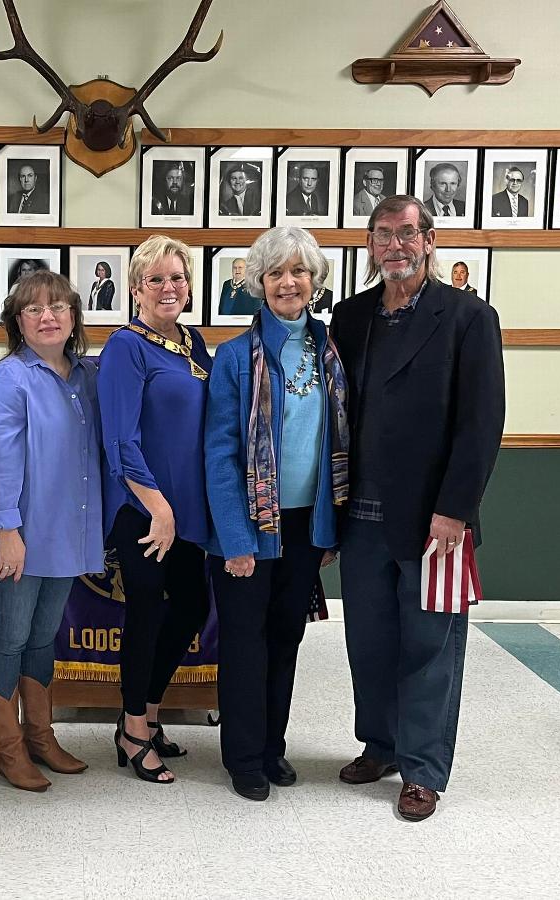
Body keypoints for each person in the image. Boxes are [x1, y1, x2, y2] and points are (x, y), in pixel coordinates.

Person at [330, 195, 505, 821]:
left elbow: (481, 424)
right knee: (369, 643)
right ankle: (380, 746)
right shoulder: (349, 319)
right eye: (383, 235)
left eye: (408, 233)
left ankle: (424, 769)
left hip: (436, 523)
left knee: (430, 647)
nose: (395, 246)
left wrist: (455, 510)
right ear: (369, 245)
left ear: (429, 241)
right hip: (362, 519)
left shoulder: (467, 317)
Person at [205, 226, 348, 801]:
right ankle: (242, 756)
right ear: (259, 284)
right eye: (275, 273)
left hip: (306, 523)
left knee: (286, 636)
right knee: (244, 641)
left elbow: (338, 441)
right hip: (249, 526)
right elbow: (219, 452)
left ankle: (272, 746)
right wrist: (235, 538)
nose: (288, 282)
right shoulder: (236, 357)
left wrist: (331, 527)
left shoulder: (332, 350)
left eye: (299, 271)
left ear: (315, 280)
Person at [0, 270, 101, 791]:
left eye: (58, 307)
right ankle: (8, 749)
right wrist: (6, 529)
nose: (47, 317)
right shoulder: (9, 379)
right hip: (19, 537)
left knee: (44, 638)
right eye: (33, 309)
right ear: (17, 321)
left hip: (66, 533)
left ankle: (40, 736)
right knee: (10, 636)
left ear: (73, 316)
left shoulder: (84, 376)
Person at [98, 234, 213, 785]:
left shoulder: (193, 342)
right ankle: (133, 731)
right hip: (143, 510)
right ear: (136, 289)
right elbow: (120, 440)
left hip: (191, 510)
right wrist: (158, 508)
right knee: (147, 615)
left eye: (177, 277)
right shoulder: (126, 346)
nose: (168, 287)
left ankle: (147, 710)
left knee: (190, 608)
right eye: (156, 279)